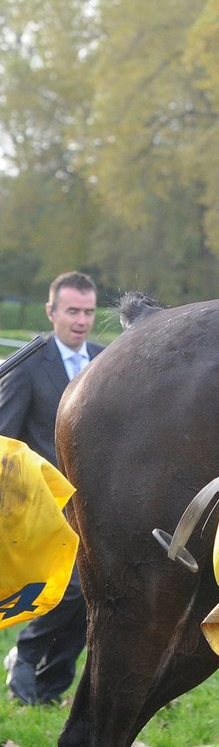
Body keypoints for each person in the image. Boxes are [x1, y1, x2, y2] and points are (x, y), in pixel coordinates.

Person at [1, 271, 102, 705]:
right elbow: (5, 435)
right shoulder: (30, 363)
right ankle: (26, 653)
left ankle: (51, 686)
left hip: (96, 502)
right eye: (72, 311)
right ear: (51, 312)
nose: (81, 320)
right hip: (44, 504)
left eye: (88, 312)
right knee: (74, 587)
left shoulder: (106, 360)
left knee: (92, 593)